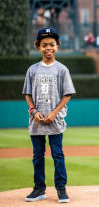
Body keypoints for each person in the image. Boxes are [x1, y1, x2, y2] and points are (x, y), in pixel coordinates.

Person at [22, 27, 76, 203]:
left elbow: (67, 94)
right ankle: (39, 189)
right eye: (44, 45)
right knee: (38, 155)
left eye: (52, 44)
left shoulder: (62, 69)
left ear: (58, 46)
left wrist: (54, 112)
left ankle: (61, 189)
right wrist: (33, 111)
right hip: (36, 120)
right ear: (38, 46)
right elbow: (27, 94)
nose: (48, 48)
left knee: (57, 154)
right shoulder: (32, 70)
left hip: (55, 120)